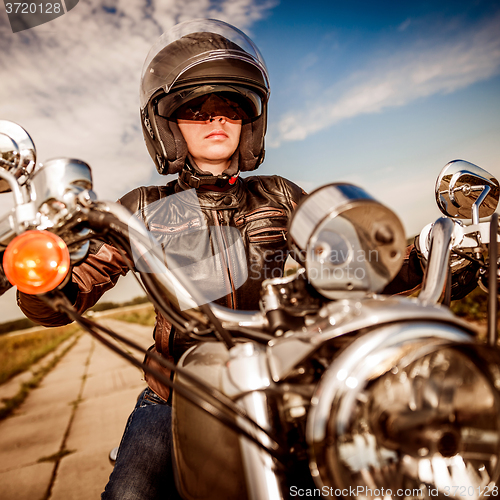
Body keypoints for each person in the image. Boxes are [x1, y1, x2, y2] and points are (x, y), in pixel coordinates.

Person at [16, 19, 425, 500]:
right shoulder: (141, 207)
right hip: (175, 394)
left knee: (363, 480)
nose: (216, 120)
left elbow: (360, 261)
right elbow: (72, 288)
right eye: (196, 109)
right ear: (168, 125)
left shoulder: (279, 194)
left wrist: (438, 250)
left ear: (250, 121)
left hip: (277, 387)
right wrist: (47, 277)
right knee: (130, 494)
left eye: (231, 107)